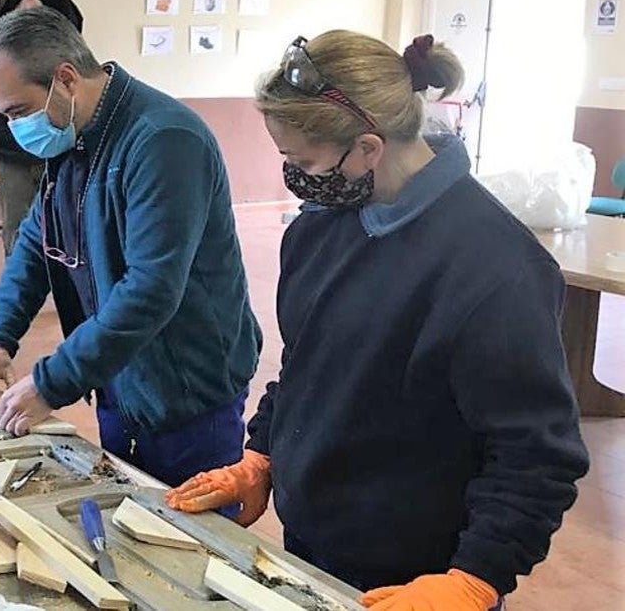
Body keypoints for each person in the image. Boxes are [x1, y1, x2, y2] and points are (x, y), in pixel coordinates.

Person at [166, 31, 589, 610]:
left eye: (303, 161)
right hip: (316, 540)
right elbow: (305, 362)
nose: (296, 176)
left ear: (369, 147)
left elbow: (535, 452)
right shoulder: (321, 227)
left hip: (423, 577)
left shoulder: (495, 269)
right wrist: (265, 454)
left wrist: (477, 577)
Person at [0, 8, 262, 491]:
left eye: (17, 111)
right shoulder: (74, 134)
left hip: (185, 385)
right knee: (126, 506)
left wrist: (50, 382)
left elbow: (151, 289)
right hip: (119, 371)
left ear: (66, 80)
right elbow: (37, 245)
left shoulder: (163, 141)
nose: (13, 128)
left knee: (191, 537)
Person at [0, 0, 54, 256]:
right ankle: (18, 278)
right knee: (16, 224)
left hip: (52, 150)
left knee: (58, 222)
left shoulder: (57, 53)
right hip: (12, 154)